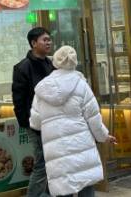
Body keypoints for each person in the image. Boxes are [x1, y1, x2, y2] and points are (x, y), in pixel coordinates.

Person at [30, 46, 116, 197]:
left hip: (55, 149)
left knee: (63, 188)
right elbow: (93, 119)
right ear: (74, 62)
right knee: (85, 183)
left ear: (55, 62)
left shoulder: (43, 88)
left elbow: (35, 122)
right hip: (81, 144)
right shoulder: (81, 85)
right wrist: (104, 136)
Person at [12, 27, 54, 197]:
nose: (49, 42)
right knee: (42, 163)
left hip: (52, 122)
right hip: (35, 124)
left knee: (52, 161)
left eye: (49, 39)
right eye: (45, 40)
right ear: (33, 43)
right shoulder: (22, 67)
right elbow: (19, 100)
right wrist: (27, 123)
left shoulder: (51, 64)